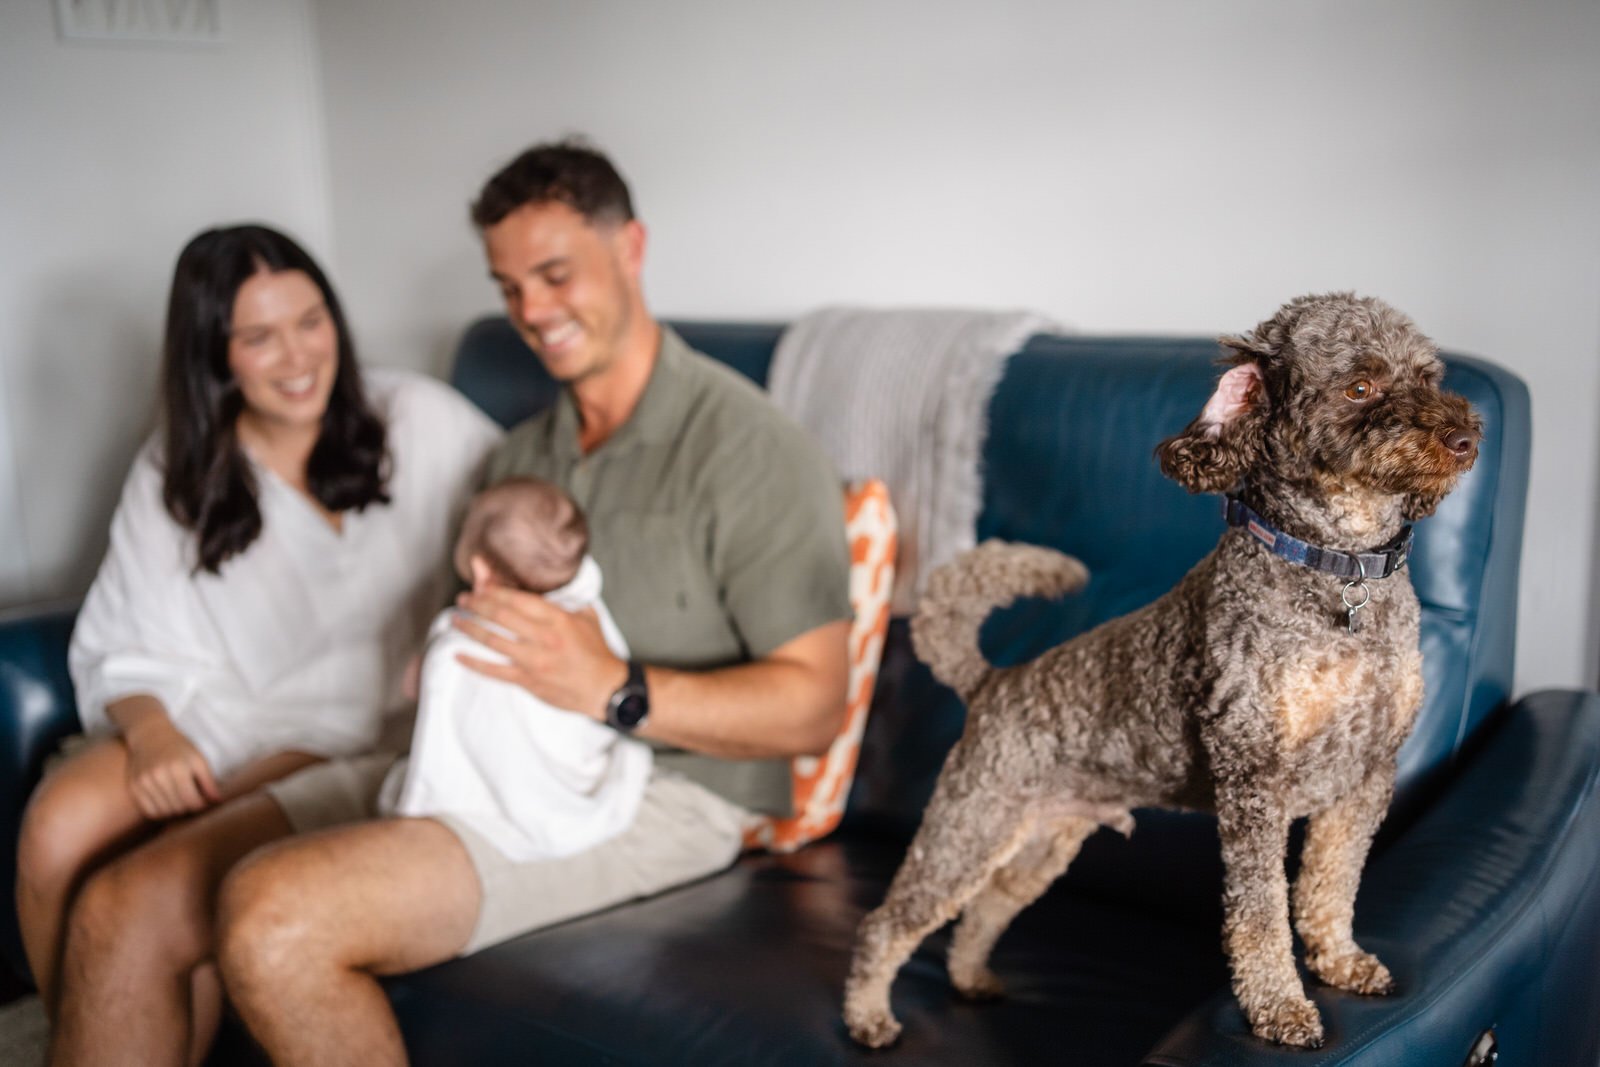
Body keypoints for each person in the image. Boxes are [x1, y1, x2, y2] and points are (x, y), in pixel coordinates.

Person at [214, 140, 853, 1064]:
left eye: (554, 275)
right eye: (508, 286)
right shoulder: (517, 460)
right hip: (471, 755)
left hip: (659, 790)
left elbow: (814, 705)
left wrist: (612, 686)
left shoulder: (751, 450)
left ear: (630, 246)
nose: (530, 312)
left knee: (272, 915)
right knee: (142, 892)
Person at [14, 224, 502, 1065]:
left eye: (312, 321)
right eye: (260, 336)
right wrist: (153, 730)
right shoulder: (181, 462)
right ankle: (95, 1032)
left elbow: (531, 518)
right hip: (215, 704)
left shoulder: (419, 417)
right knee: (57, 824)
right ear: (214, 353)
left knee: (134, 886)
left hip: (351, 722)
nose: (298, 355)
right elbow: (127, 636)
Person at [382, 476, 652, 862]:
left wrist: (426, 665)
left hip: (499, 796)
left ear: (480, 572)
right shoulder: (585, 610)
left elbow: (419, 687)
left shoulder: (464, 636)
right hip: (576, 772)